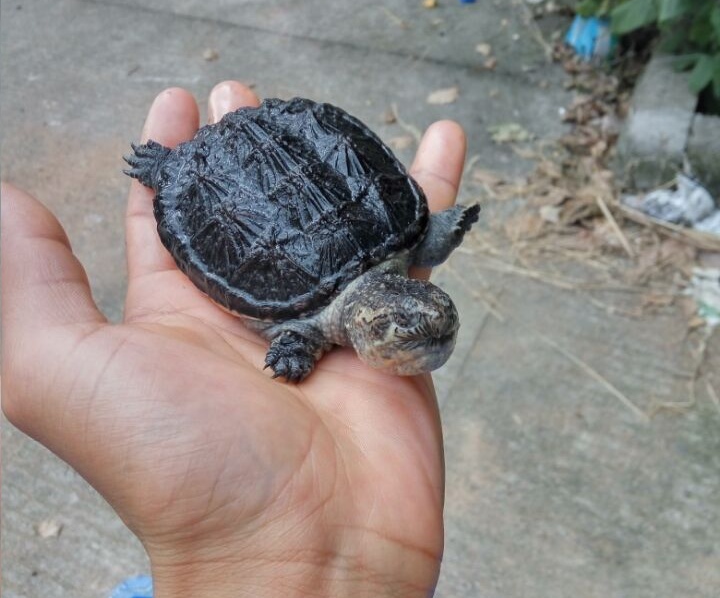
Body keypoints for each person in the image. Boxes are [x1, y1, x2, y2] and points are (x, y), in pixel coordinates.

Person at [1, 81, 467, 597]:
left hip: (310, 167)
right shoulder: (314, 310)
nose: (431, 348)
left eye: (441, 333)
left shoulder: (391, 244)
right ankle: (170, 171)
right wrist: (172, 175)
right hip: (233, 167)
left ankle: (173, 172)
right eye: (409, 340)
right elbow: (304, 332)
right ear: (366, 329)